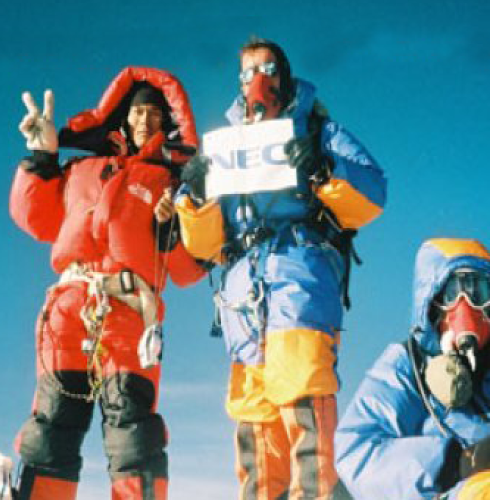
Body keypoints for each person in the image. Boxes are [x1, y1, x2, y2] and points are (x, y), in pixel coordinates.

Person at [174, 37, 387, 499]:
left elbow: (372, 195)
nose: (258, 80)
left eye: (268, 67)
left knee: (302, 392)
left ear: (285, 74)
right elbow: (205, 243)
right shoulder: (224, 146)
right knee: (254, 418)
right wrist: (193, 195)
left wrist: (323, 169)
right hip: (241, 298)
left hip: (300, 277)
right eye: (248, 71)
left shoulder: (316, 132)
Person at [10, 66, 205, 500]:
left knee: (133, 435)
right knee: (52, 427)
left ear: (168, 123)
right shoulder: (81, 169)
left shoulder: (173, 185)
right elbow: (35, 218)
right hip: (69, 308)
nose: (145, 121)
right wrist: (41, 157)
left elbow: (189, 270)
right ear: (121, 116)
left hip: (131, 316)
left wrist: (170, 234)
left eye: (155, 113)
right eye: (137, 111)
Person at [335, 237, 490, 499]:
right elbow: (357, 451)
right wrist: (456, 462)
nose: (465, 307)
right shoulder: (408, 367)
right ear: (431, 301)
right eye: (452, 292)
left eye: (480, 293)